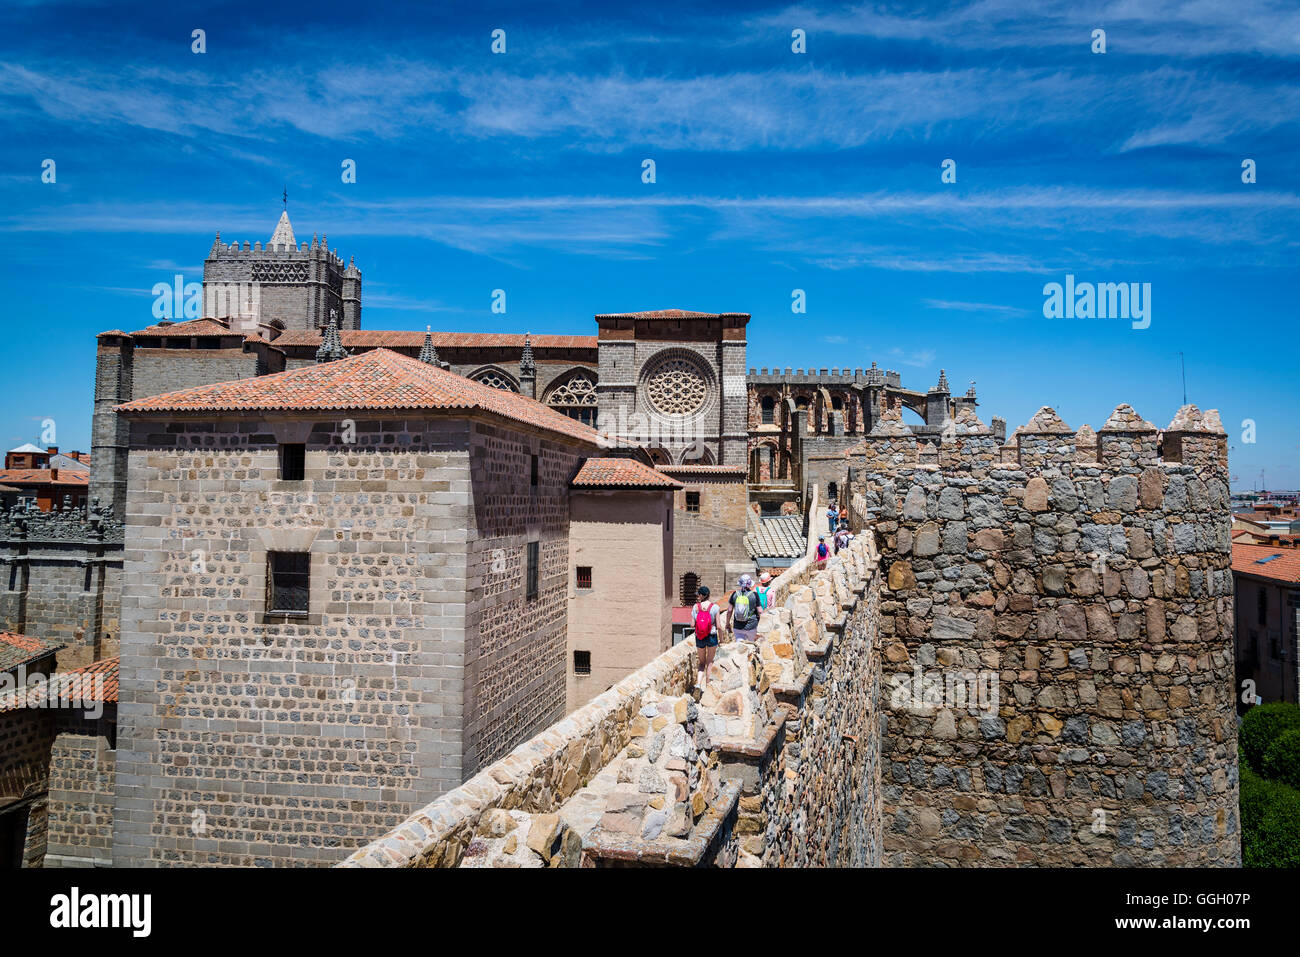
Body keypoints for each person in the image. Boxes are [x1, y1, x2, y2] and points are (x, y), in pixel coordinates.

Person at [691, 585, 720, 686]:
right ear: (709, 595)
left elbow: (692, 624)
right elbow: (719, 626)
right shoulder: (715, 607)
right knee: (710, 662)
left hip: (699, 637)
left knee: (702, 663)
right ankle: (708, 684)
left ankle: (698, 684)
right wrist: (721, 639)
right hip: (711, 635)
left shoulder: (695, 607)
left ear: (700, 595)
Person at [728, 574, 761, 643]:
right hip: (752, 625)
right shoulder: (754, 595)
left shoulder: (734, 594)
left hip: (738, 626)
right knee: (751, 645)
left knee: (739, 647)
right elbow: (760, 611)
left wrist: (727, 623)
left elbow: (730, 610)